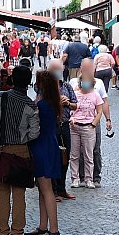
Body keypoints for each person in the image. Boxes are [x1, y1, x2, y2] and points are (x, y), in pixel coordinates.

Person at [0, 64, 36, 235]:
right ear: (29, 83)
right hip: (20, 149)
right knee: (19, 192)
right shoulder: (30, 105)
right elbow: (35, 132)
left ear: (12, 80)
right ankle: (18, 232)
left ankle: (2, 232)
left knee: (2, 192)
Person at [27, 69, 64, 235]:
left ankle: (53, 230)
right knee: (43, 189)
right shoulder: (52, 102)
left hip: (41, 146)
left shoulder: (41, 105)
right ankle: (43, 226)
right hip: (49, 145)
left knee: (46, 190)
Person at [68, 69, 106, 189]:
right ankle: (75, 178)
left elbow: (99, 111)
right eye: (83, 81)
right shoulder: (75, 93)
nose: (85, 83)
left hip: (88, 127)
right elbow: (70, 108)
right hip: (75, 126)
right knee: (74, 155)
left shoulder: (95, 94)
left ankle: (89, 179)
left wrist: (93, 124)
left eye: (87, 81)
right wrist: (71, 117)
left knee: (88, 155)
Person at [47, 59, 76, 200]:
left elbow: (76, 105)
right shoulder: (44, 86)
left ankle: (61, 188)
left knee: (65, 157)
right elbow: (40, 103)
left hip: (64, 124)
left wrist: (68, 103)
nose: (57, 72)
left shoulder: (67, 86)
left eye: (59, 69)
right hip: (51, 125)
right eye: (54, 69)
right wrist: (56, 101)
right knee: (53, 157)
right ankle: (53, 190)